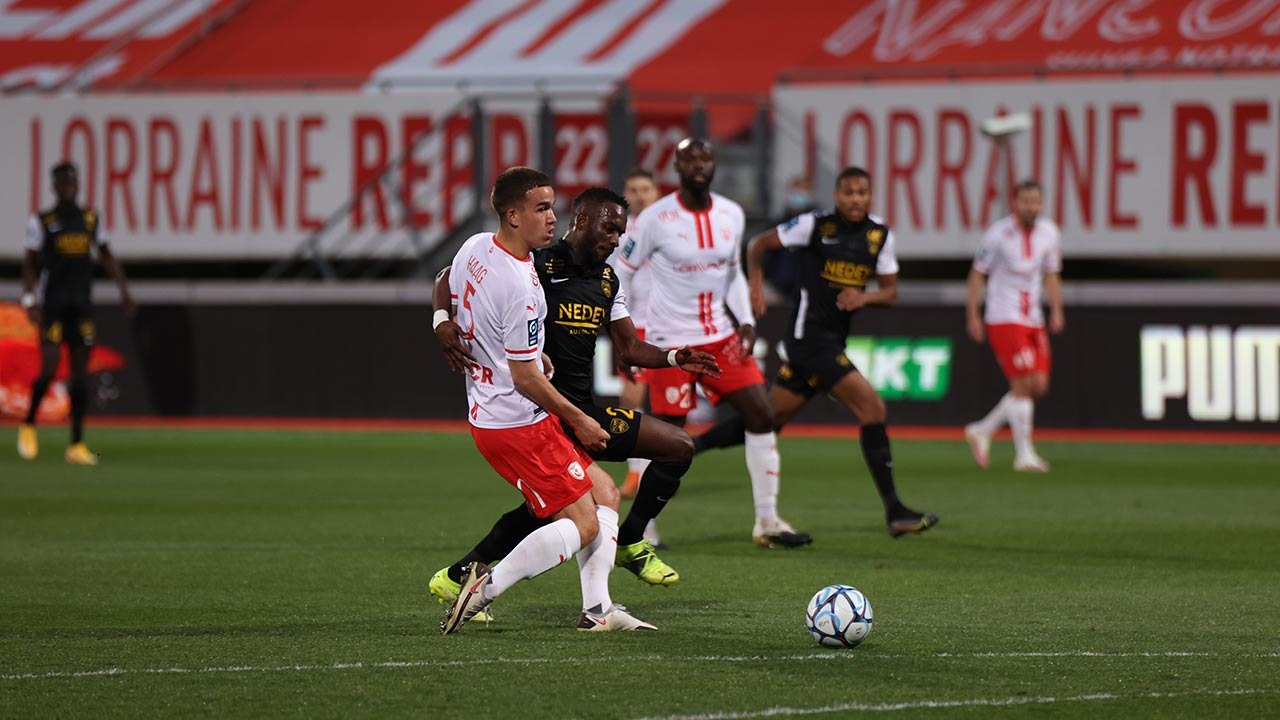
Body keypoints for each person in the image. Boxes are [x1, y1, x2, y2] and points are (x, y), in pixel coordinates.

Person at [431, 187, 720, 598]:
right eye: (610, 228)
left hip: (582, 411)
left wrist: (675, 357)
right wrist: (443, 320)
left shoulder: (607, 279)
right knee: (556, 510)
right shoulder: (535, 263)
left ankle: (631, 542)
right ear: (582, 221)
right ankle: (474, 582)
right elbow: (448, 275)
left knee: (677, 446)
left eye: (621, 232)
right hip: (544, 413)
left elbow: (630, 349)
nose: (616, 239)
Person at [437, 167, 654, 634]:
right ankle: (481, 588)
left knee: (606, 495)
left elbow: (444, 280)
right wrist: (581, 420)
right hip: (518, 422)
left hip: (495, 413)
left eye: (552, 207)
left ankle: (598, 610)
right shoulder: (523, 286)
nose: (553, 218)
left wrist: (440, 320)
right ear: (513, 215)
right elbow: (524, 379)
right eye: (541, 209)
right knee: (585, 524)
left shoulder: (476, 247)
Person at [696, 167, 940, 538]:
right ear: (837, 196)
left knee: (766, 418)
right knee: (872, 407)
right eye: (848, 192)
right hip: (809, 339)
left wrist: (866, 297)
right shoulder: (814, 225)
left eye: (862, 192)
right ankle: (895, 511)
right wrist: (755, 287)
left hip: (831, 340)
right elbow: (758, 244)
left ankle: (687, 447)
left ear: (869, 196)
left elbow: (890, 293)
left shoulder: (879, 235)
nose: (855, 199)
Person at [615, 138, 811, 549]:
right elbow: (621, 274)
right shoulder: (655, 219)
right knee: (668, 436)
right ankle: (644, 528)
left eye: (705, 158)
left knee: (762, 413)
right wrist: (626, 336)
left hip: (722, 337)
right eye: (690, 159)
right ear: (677, 166)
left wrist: (743, 319)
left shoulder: (731, 214)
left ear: (714, 165)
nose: (699, 165)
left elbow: (733, 273)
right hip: (672, 344)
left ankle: (767, 521)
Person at [17, 161, 134, 465]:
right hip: (53, 305)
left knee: (81, 374)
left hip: (81, 305)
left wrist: (124, 290)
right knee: (51, 367)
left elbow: (107, 255)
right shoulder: (44, 221)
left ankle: (77, 443)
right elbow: (30, 264)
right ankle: (29, 423)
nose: (69, 187)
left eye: (72, 182)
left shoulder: (91, 219)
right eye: (63, 183)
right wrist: (30, 301)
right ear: (55, 186)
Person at [963, 179, 1063, 473]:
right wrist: (973, 314)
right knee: (1022, 384)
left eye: (1035, 201)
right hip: (1003, 315)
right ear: (1015, 203)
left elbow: (1052, 274)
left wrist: (1056, 309)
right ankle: (1024, 455)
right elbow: (977, 275)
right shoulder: (997, 235)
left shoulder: (1050, 233)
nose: (1030, 206)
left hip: (1033, 317)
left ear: (1041, 204)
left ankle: (983, 429)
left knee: (1039, 386)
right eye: (1025, 201)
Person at [611, 168, 660, 501]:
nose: (640, 194)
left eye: (646, 188)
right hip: (635, 325)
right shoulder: (618, 233)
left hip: (673, 325)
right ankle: (636, 474)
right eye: (633, 188)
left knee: (669, 407)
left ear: (656, 192)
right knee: (631, 400)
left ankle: (661, 468)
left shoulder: (670, 227)